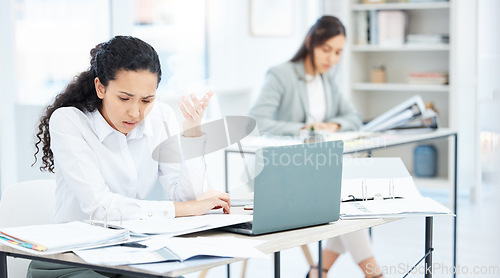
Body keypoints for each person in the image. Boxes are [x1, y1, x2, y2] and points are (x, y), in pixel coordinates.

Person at [30, 35, 230, 277]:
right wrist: (186, 208)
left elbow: (187, 198)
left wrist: (192, 133)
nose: (136, 112)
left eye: (147, 100)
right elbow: (100, 208)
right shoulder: (69, 121)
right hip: (71, 259)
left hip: (132, 254)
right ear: (100, 87)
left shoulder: (161, 117)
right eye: (124, 98)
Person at [248, 16, 383, 278]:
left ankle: (319, 272)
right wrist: (305, 130)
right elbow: (257, 121)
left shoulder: (327, 79)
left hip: (318, 168)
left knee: (346, 199)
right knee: (345, 200)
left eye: (338, 52)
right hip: (285, 170)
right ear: (311, 42)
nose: (332, 59)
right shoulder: (281, 75)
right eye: (326, 50)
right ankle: (373, 273)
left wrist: (333, 125)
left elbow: (354, 117)